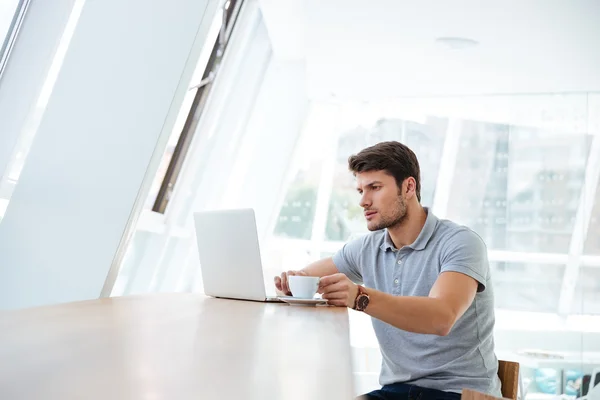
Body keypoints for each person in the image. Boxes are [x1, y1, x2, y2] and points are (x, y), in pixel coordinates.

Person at [274, 141, 502, 400]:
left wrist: (359, 297)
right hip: (395, 392)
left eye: (375, 188)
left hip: (459, 393)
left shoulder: (460, 243)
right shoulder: (367, 248)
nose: (363, 201)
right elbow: (307, 277)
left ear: (408, 187)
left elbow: (441, 318)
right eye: (360, 190)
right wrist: (291, 282)